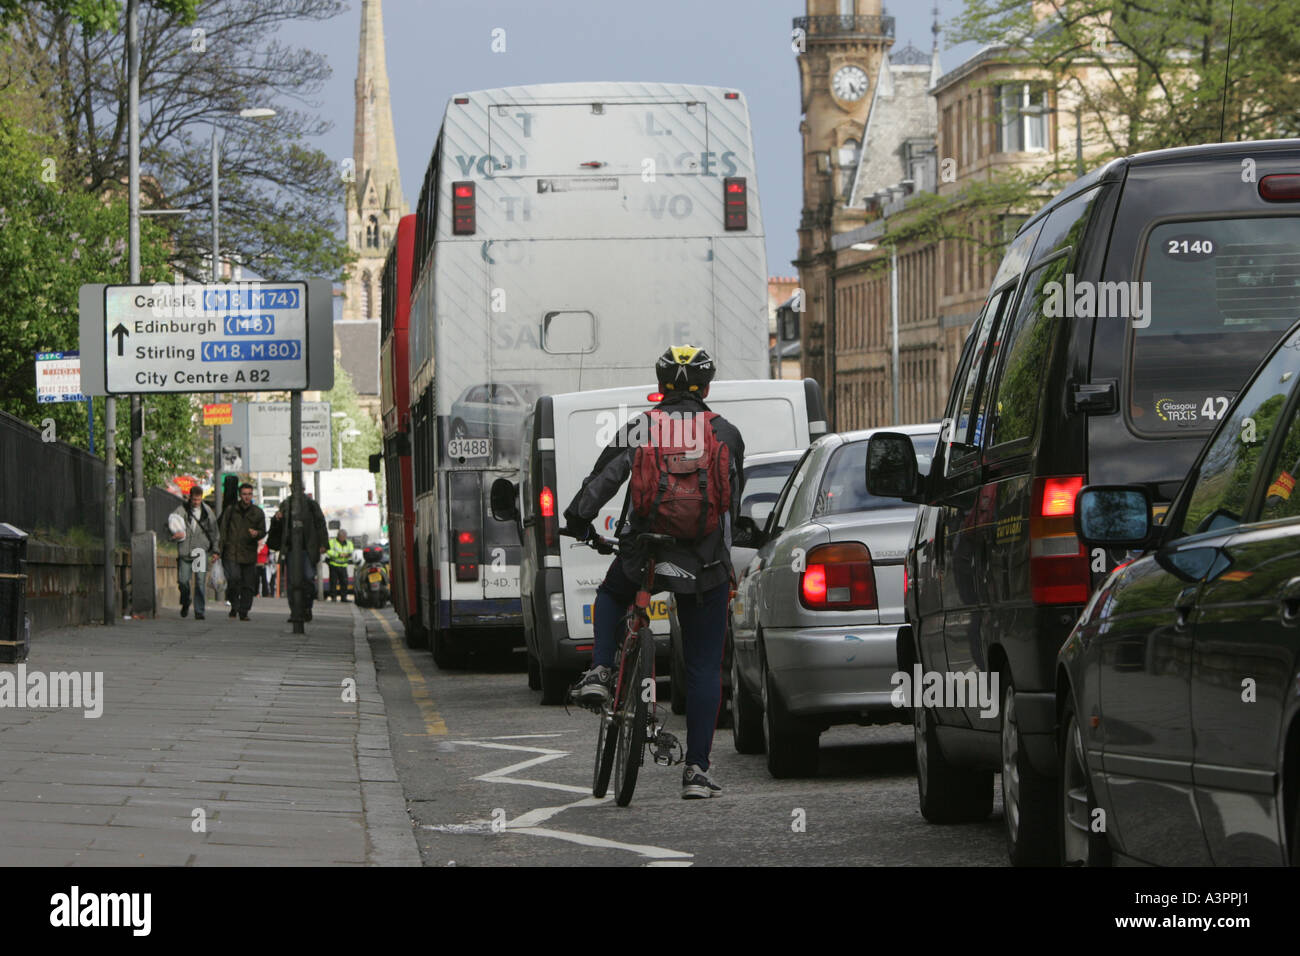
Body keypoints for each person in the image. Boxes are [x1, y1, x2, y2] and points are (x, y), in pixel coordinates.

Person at [562, 346, 744, 800]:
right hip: (703, 563)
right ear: (706, 386)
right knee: (704, 667)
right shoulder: (725, 432)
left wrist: (578, 520)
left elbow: (601, 482)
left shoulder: (641, 427)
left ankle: (603, 671)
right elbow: (730, 508)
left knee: (610, 594)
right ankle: (697, 772)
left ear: (662, 384)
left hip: (644, 555)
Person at [169, 486, 220, 620]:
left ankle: (199, 610)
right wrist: (174, 534)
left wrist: (215, 550)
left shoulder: (207, 512)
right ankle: (186, 601)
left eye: (198, 499)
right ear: (190, 497)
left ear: (201, 498)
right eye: (194, 499)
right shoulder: (182, 510)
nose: (196, 502)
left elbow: (214, 532)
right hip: (185, 550)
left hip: (200, 551)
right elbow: (171, 523)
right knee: (183, 581)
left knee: (200, 582)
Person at [275, 491, 329, 622]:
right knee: (292, 582)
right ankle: (295, 612)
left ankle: (307, 608)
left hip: (308, 549)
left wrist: (323, 544)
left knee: (308, 579)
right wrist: (277, 518)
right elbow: (279, 524)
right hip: (291, 549)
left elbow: (321, 524)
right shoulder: (286, 504)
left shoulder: (311, 505)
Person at [219, 482, 267, 621]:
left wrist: (256, 534)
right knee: (233, 579)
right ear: (240, 495)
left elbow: (263, 531)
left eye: (249, 494)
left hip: (248, 553)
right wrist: (219, 549)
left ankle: (244, 611)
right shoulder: (231, 510)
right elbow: (223, 530)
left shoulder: (257, 512)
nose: (247, 497)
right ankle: (234, 605)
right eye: (244, 494)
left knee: (248, 584)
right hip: (231, 552)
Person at [326, 529, 353, 602]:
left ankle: (343, 597)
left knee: (344, 582)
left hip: (343, 565)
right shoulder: (332, 542)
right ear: (338, 536)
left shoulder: (349, 543)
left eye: (344, 536)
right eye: (342, 536)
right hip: (334, 565)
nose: (343, 538)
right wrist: (339, 554)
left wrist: (348, 555)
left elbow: (351, 551)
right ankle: (333, 597)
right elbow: (328, 551)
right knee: (333, 582)